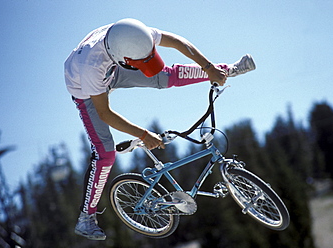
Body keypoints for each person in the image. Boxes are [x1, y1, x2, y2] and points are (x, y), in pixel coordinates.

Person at [64, 18, 255, 240]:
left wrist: (209, 68)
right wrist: (143, 135)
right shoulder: (91, 67)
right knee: (105, 154)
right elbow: (105, 113)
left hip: (113, 68)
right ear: (126, 59)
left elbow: (180, 43)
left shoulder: (134, 34)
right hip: (86, 91)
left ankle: (227, 70)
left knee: (165, 76)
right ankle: (86, 218)